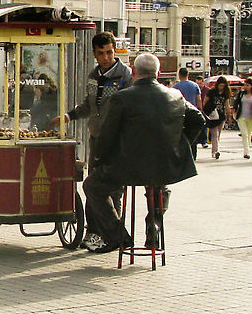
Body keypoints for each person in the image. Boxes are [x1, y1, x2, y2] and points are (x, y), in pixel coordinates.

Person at [82, 53, 204, 253]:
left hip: (128, 166)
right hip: (163, 164)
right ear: (159, 72)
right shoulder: (175, 95)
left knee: (93, 186)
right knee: (158, 187)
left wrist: (99, 159)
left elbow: (108, 134)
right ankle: (153, 228)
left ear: (134, 71)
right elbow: (199, 120)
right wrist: (179, 143)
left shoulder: (123, 97)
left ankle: (118, 237)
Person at [55, 31, 132, 249]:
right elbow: (89, 106)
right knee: (93, 185)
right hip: (96, 138)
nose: (106, 57)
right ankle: (95, 232)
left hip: (115, 141)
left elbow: (127, 108)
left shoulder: (125, 75)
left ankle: (113, 236)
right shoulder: (93, 75)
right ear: (94, 54)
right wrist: (69, 116)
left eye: (110, 52)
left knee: (112, 189)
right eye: (101, 53)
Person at [173, 67, 203, 158]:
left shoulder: (176, 87)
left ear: (179, 75)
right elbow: (199, 99)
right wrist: (200, 109)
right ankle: (193, 154)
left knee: (181, 133)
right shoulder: (195, 85)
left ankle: (183, 153)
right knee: (193, 133)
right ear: (188, 74)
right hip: (193, 112)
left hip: (180, 111)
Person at [203, 76, 232, 160]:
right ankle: (215, 151)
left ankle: (215, 149)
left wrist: (229, 115)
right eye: (220, 86)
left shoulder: (226, 93)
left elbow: (227, 104)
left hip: (221, 115)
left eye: (223, 86)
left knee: (218, 134)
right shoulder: (212, 91)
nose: (221, 88)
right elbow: (205, 101)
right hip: (212, 114)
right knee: (214, 134)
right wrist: (206, 111)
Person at [233, 78, 252, 159]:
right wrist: (234, 113)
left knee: (249, 134)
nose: (245, 87)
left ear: (251, 86)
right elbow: (236, 103)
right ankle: (247, 152)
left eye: (247, 85)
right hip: (241, 116)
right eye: (245, 85)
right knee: (244, 134)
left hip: (251, 117)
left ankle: (246, 150)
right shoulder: (241, 94)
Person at [194, 75, 210, 148]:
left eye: (200, 83)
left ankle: (204, 141)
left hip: (205, 110)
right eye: (197, 83)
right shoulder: (194, 89)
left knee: (204, 126)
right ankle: (196, 141)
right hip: (196, 109)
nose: (199, 85)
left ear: (203, 83)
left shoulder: (207, 91)